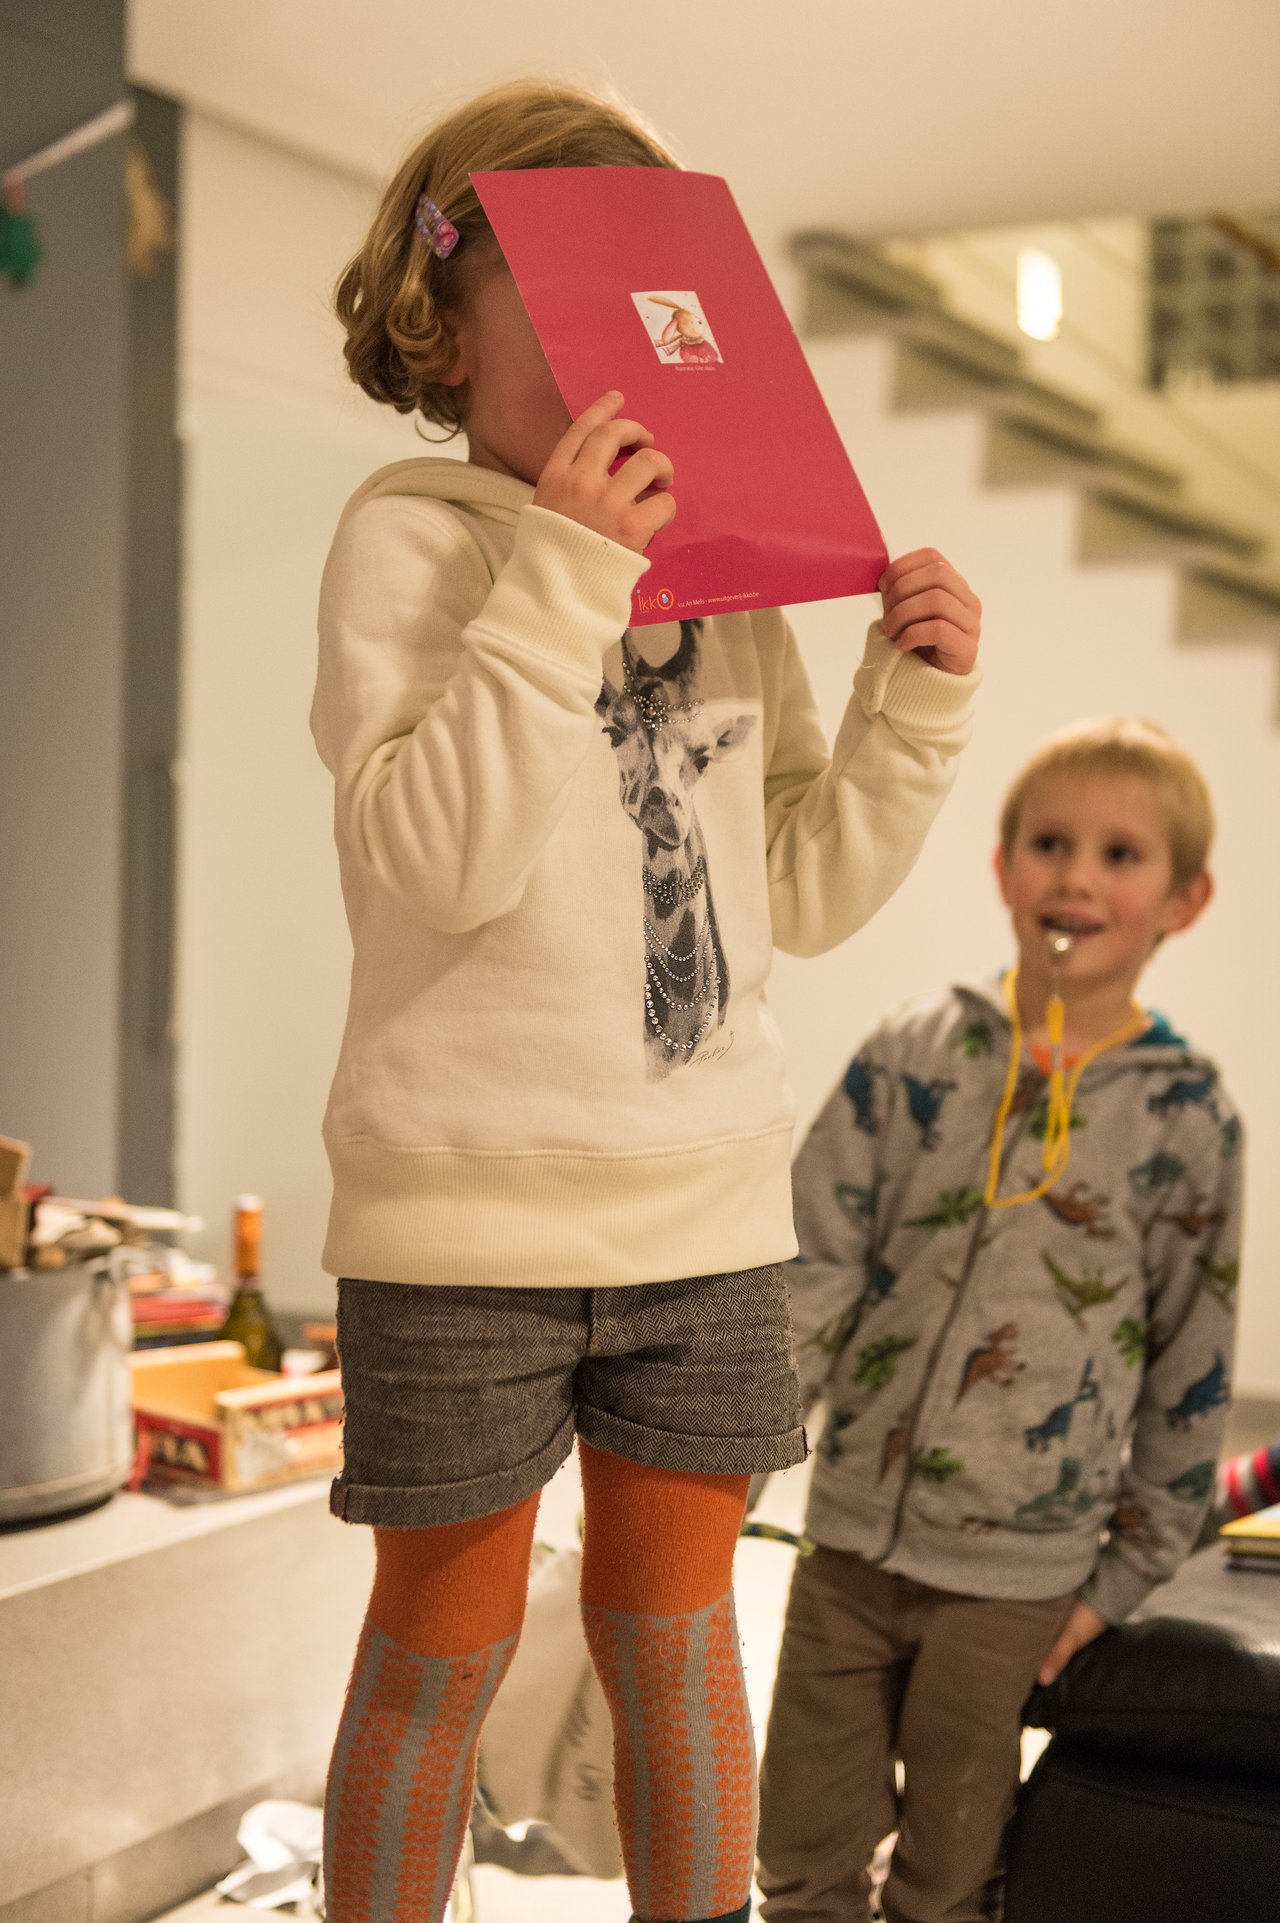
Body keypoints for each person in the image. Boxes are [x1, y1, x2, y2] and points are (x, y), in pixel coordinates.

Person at [312, 77, 982, 1923]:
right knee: (437, 1650)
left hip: (699, 1209)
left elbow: (810, 888)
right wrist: (572, 575)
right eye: (577, 314)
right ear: (447, 324)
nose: (638, 373)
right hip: (461, 1221)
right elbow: (433, 858)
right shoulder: (412, 542)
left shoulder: (729, 586)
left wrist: (906, 707)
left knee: (679, 1641)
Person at [756, 717, 1243, 1923]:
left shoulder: (1186, 1118)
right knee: (797, 1840)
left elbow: (1191, 1359)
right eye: (1048, 843)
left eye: (1118, 855)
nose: (1075, 875)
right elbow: (815, 1257)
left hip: (1020, 1574)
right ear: (1000, 867)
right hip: (851, 1539)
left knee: (952, 1865)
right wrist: (744, 1439)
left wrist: (1121, 1576)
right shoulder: (914, 1049)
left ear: (1182, 901)